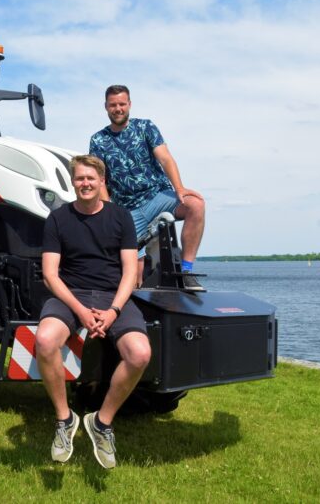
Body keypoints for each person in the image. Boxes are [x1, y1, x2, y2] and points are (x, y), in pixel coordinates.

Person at [35, 154, 151, 469]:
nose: (85, 183)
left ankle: (102, 423)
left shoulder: (121, 217)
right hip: (70, 295)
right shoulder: (58, 218)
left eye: (91, 178)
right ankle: (64, 420)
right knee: (45, 341)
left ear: (102, 182)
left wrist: (113, 311)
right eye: (79, 178)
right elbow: (50, 275)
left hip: (113, 297)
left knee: (139, 354)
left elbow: (130, 272)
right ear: (73, 182)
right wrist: (81, 311)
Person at [89, 85, 206, 290]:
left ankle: (186, 272)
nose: (118, 109)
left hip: (158, 197)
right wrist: (109, 210)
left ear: (129, 105)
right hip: (128, 210)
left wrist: (179, 188)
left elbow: (165, 158)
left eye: (122, 104)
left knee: (196, 205)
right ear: (106, 107)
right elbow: (100, 179)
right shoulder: (98, 140)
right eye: (113, 105)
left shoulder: (145, 127)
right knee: (134, 278)